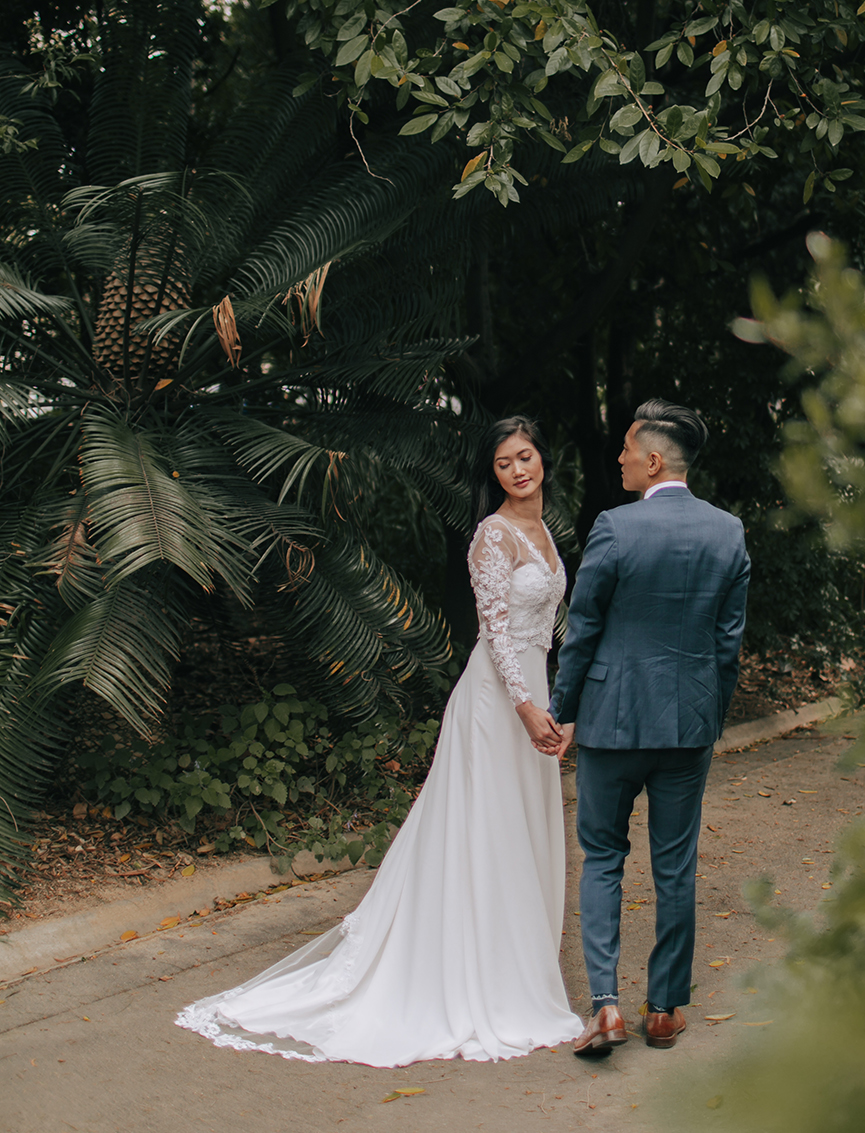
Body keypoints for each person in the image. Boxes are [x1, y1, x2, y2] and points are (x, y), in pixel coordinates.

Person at [175, 417, 584, 1065]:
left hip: (536, 695)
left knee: (524, 833)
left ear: (543, 459)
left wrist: (555, 702)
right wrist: (529, 706)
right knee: (488, 834)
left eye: (525, 456)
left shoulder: (544, 532)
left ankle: (520, 967)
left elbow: (545, 630)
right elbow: (496, 634)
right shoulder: (492, 535)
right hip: (497, 702)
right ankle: (481, 979)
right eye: (503, 463)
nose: (517, 470)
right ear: (493, 474)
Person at [551, 399, 750, 1056]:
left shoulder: (614, 527)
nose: (620, 459)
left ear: (655, 459)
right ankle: (663, 1009)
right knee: (676, 866)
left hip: (611, 722)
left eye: (628, 449)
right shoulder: (729, 533)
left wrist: (564, 710)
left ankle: (605, 1008)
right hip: (686, 724)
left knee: (603, 858)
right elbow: (728, 644)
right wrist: (706, 717)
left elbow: (582, 631)